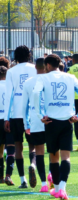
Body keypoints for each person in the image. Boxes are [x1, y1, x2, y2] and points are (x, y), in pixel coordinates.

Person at [33, 54, 78, 200]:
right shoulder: (69, 77)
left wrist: (40, 115)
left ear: (48, 66)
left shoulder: (43, 78)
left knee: (53, 157)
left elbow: (36, 94)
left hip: (50, 121)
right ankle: (62, 188)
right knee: (66, 157)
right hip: (67, 120)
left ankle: (56, 189)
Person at [4, 45, 37, 188]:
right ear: (29, 55)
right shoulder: (35, 68)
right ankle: (33, 165)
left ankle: (23, 180)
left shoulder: (11, 71)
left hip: (16, 113)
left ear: (15, 57)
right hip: (32, 113)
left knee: (18, 146)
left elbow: (9, 95)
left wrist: (6, 118)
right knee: (33, 146)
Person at [22, 58, 49, 192]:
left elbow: (24, 106)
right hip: (50, 119)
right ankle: (51, 176)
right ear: (46, 66)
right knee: (53, 150)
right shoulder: (50, 80)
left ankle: (43, 184)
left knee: (39, 152)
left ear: (35, 68)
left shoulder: (28, 83)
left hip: (35, 120)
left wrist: (26, 123)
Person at [0, 66, 15, 185]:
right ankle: (8, 175)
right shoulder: (11, 87)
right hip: (9, 119)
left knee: (0, 150)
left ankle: (0, 176)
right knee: (11, 147)